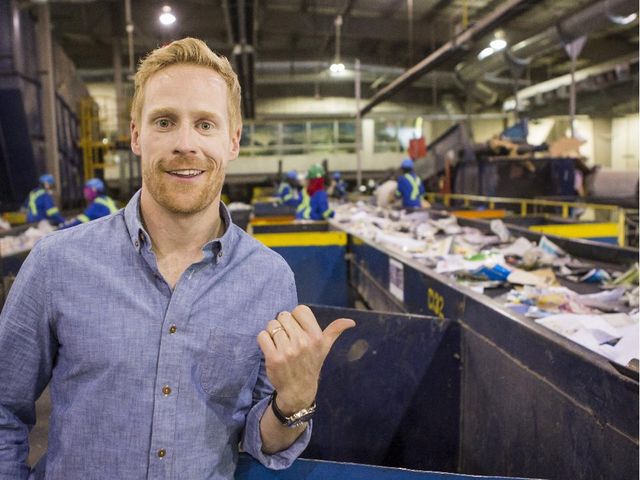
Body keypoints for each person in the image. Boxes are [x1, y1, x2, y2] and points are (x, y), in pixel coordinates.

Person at [0, 37, 354, 479]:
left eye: (206, 124)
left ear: (234, 140)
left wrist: (294, 401)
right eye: (165, 121)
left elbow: (262, 443)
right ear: (135, 135)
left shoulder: (268, 278)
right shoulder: (57, 263)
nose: (186, 143)